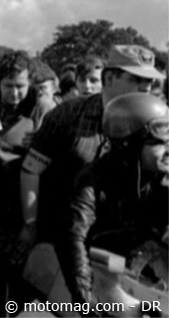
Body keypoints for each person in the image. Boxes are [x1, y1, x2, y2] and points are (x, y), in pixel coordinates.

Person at [15, 45, 166, 264]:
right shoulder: (67, 115)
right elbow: (31, 170)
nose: (145, 87)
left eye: (150, 81)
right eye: (135, 79)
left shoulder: (156, 120)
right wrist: (30, 224)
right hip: (64, 237)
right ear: (109, 78)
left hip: (122, 244)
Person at [57, 93, 168, 306]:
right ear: (130, 145)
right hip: (102, 274)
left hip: (147, 272)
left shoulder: (163, 178)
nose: (168, 150)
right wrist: (84, 295)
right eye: (159, 143)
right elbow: (73, 237)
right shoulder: (92, 180)